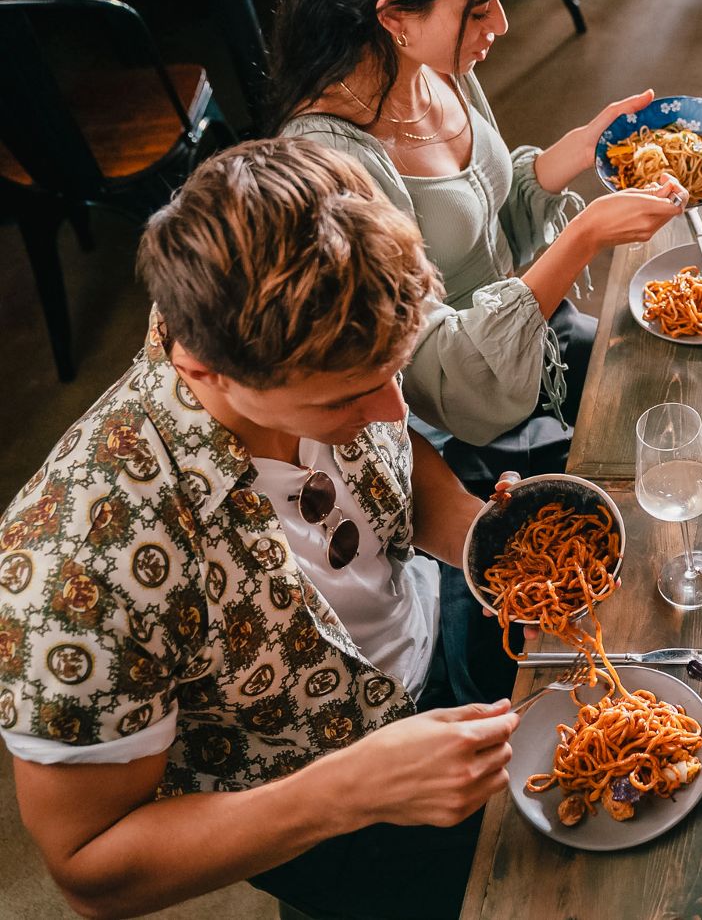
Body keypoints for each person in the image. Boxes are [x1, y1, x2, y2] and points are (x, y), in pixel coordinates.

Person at [0, 140, 538, 919]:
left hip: (438, 619)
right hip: (324, 811)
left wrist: (474, 540)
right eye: (343, 401)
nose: (395, 411)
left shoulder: (297, 331)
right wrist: (344, 794)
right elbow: (88, 868)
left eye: (396, 370)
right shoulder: (77, 568)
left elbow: (391, 436)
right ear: (202, 369)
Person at [270, 0, 687, 495]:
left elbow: (481, 219)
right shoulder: (334, 167)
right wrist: (582, 238)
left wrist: (569, 155)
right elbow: (446, 378)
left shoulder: (434, 67)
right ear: (394, 15)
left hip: (535, 349)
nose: (501, 25)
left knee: (697, 382)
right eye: (482, 6)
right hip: (471, 430)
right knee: (668, 468)